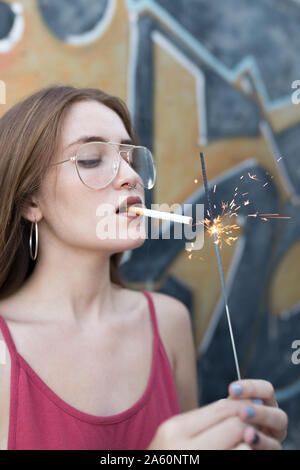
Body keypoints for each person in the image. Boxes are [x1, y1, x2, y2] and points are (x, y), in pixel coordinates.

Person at [0, 85, 287, 450]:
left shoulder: (169, 324)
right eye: (91, 159)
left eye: (129, 159)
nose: (130, 176)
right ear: (30, 201)